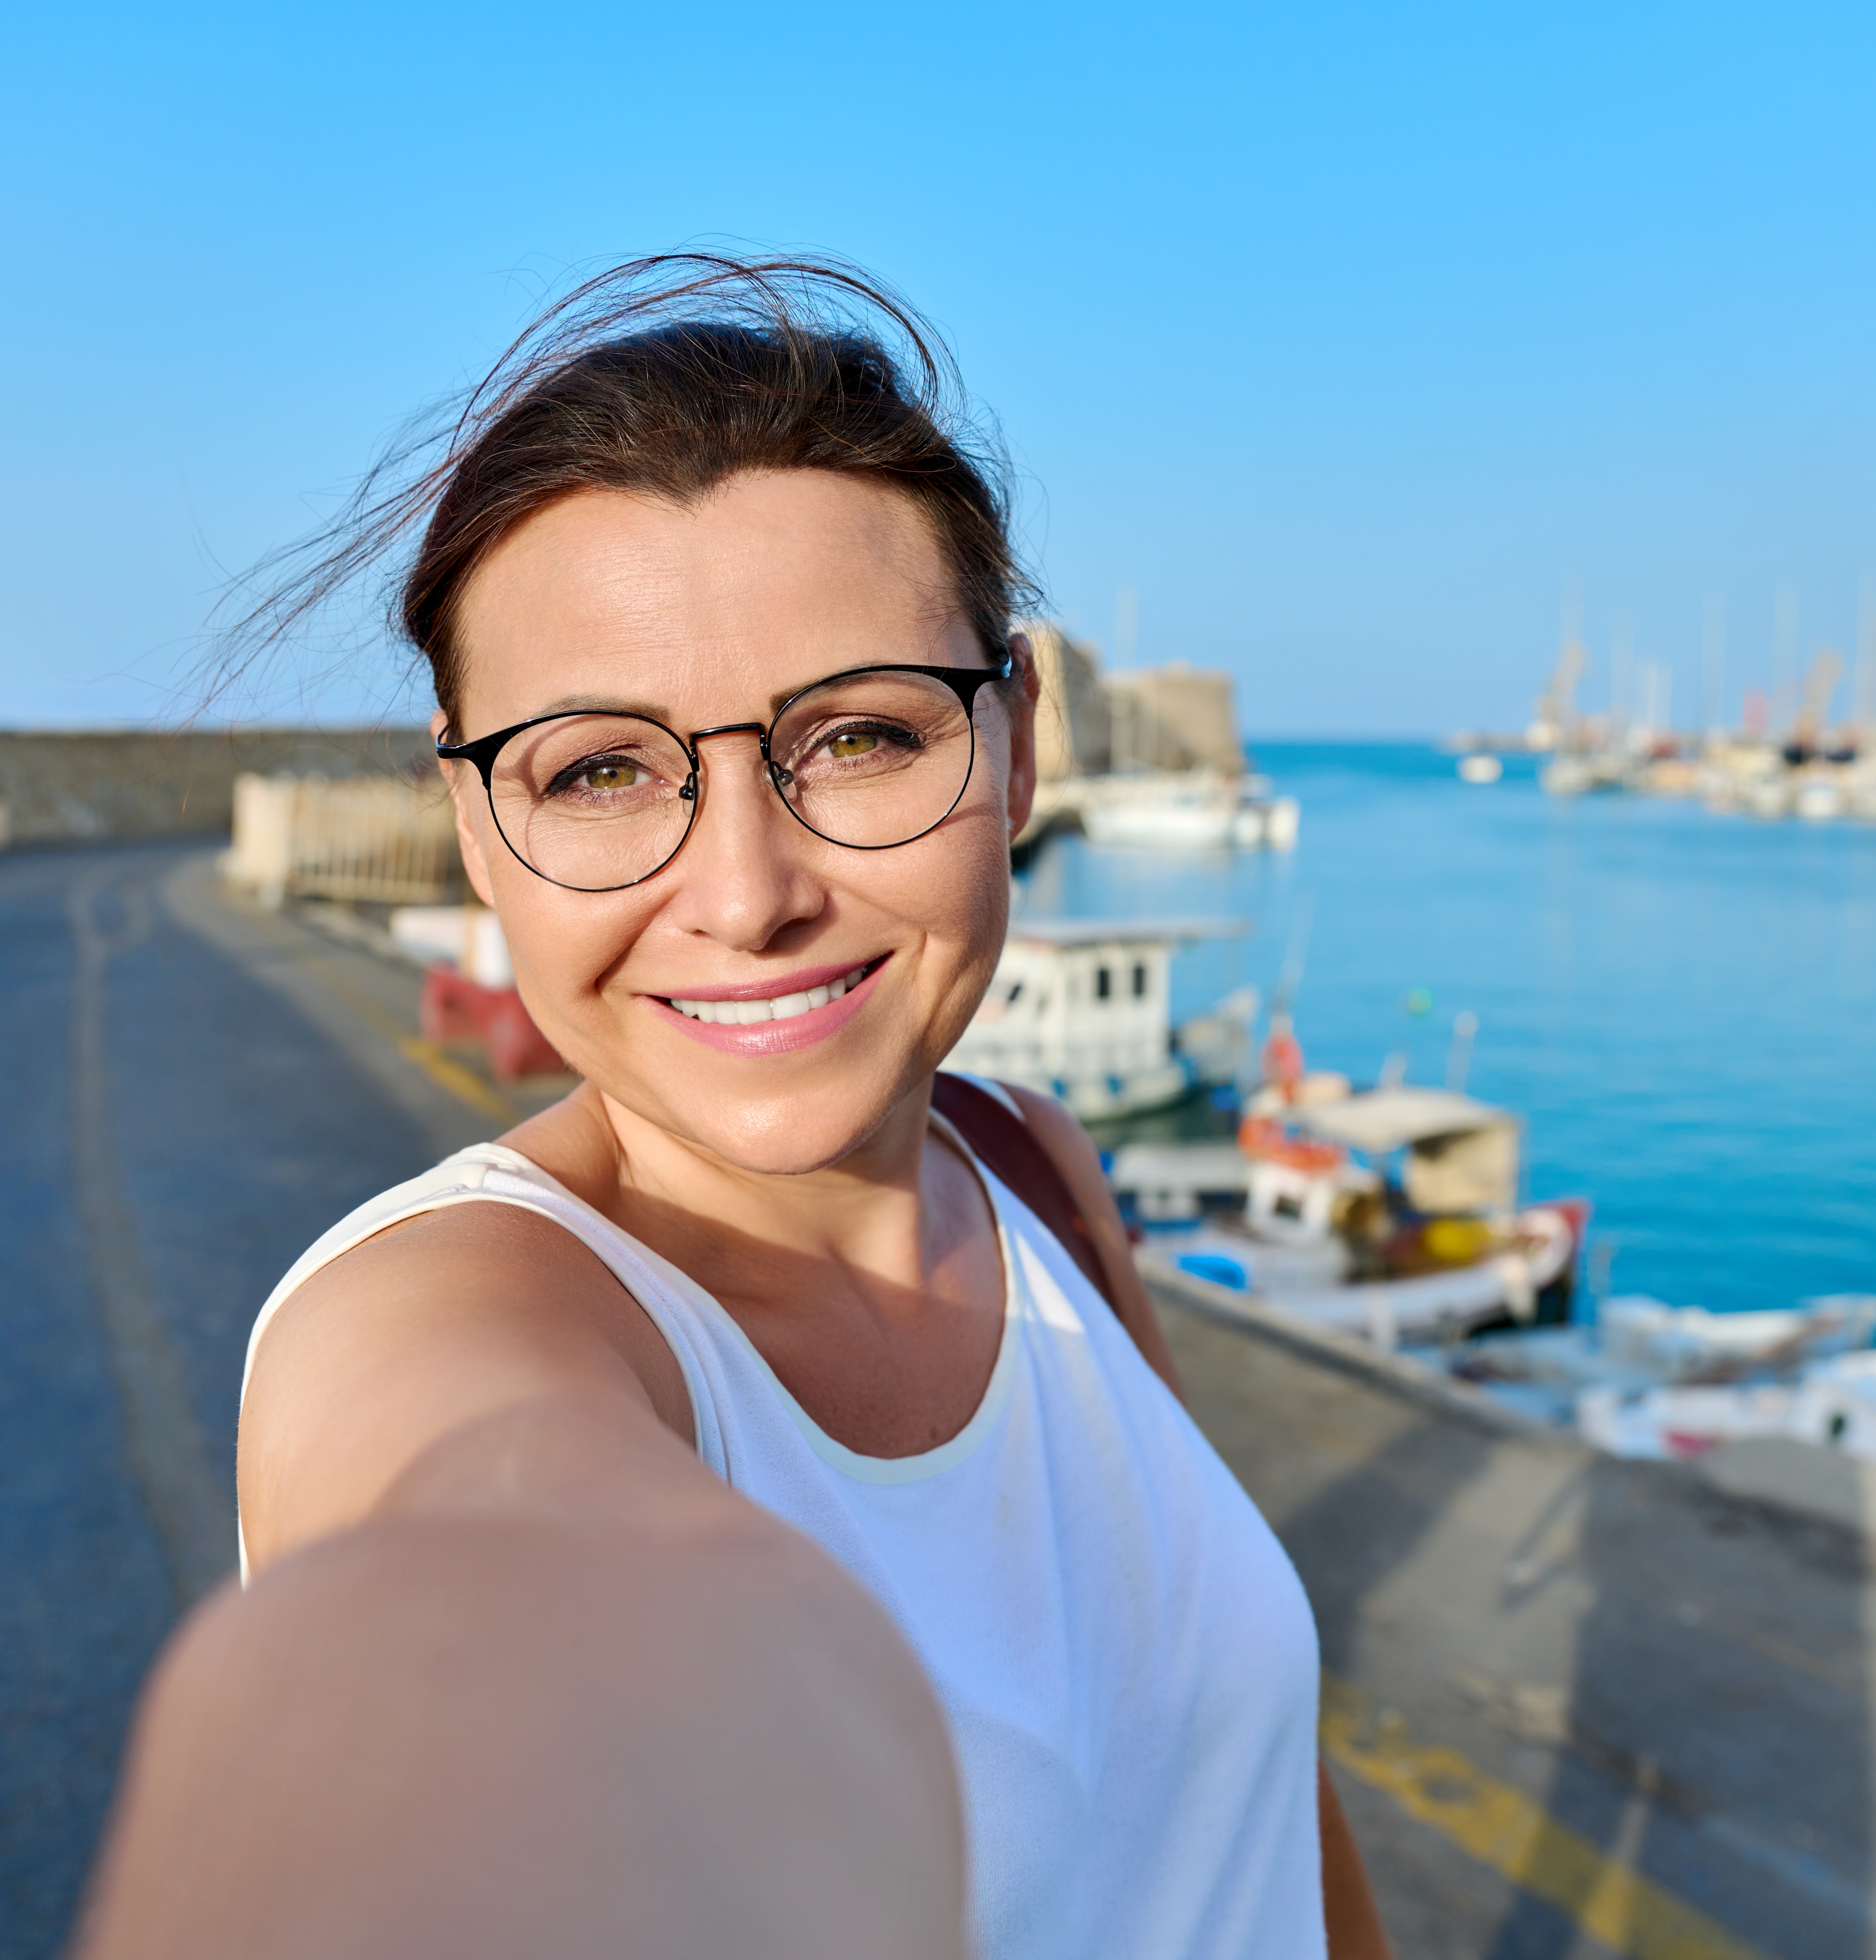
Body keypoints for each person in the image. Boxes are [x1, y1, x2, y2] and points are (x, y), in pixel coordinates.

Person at [76, 257, 1390, 1959]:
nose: (748, 891)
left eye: (858, 736)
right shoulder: (439, 1312)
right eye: (601, 769)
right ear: (479, 827)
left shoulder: (1030, 1170)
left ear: (1020, 749)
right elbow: (476, 1556)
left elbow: (1258, 1802)